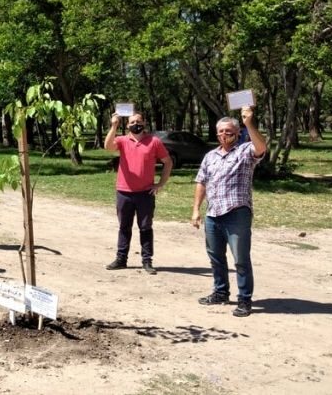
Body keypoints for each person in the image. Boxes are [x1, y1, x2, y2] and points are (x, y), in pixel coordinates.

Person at [191, 106, 266, 317]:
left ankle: (244, 300)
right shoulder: (210, 156)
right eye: (221, 131)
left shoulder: (245, 151)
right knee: (215, 257)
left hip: (237, 213)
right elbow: (201, 182)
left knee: (241, 259)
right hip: (213, 214)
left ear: (238, 133)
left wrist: (249, 122)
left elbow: (261, 148)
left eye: (229, 131)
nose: (225, 134)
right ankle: (220, 292)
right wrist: (196, 209)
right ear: (217, 134)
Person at [103, 111, 173, 274]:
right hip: (124, 192)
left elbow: (167, 162)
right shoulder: (122, 140)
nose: (136, 124)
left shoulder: (154, 142)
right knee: (124, 227)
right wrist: (114, 125)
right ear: (127, 125)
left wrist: (160, 184)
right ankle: (121, 259)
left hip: (145, 194)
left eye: (138, 121)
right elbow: (108, 147)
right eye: (132, 122)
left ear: (144, 123)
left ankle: (147, 261)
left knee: (145, 228)